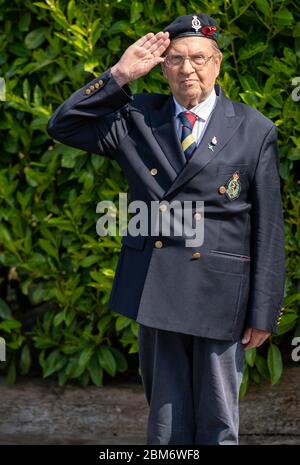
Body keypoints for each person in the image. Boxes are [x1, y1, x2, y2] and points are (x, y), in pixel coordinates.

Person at [47, 13, 286, 445]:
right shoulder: (137, 115)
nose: (187, 69)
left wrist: (263, 311)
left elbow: (267, 230)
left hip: (220, 290)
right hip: (157, 286)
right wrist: (119, 75)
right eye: (174, 59)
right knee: (166, 425)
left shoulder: (253, 128)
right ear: (161, 66)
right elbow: (63, 125)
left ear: (217, 63)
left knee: (217, 422)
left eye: (197, 58)